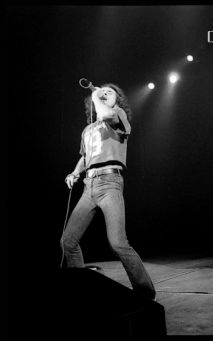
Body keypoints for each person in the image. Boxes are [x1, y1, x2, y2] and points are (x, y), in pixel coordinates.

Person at [61, 83, 156, 300]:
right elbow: (85, 157)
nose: (104, 93)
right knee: (68, 242)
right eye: (101, 91)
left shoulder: (117, 115)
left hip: (110, 183)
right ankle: (80, 290)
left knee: (117, 243)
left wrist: (96, 96)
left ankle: (145, 292)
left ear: (117, 100)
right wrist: (74, 173)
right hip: (89, 187)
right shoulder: (88, 130)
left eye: (109, 92)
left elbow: (106, 114)